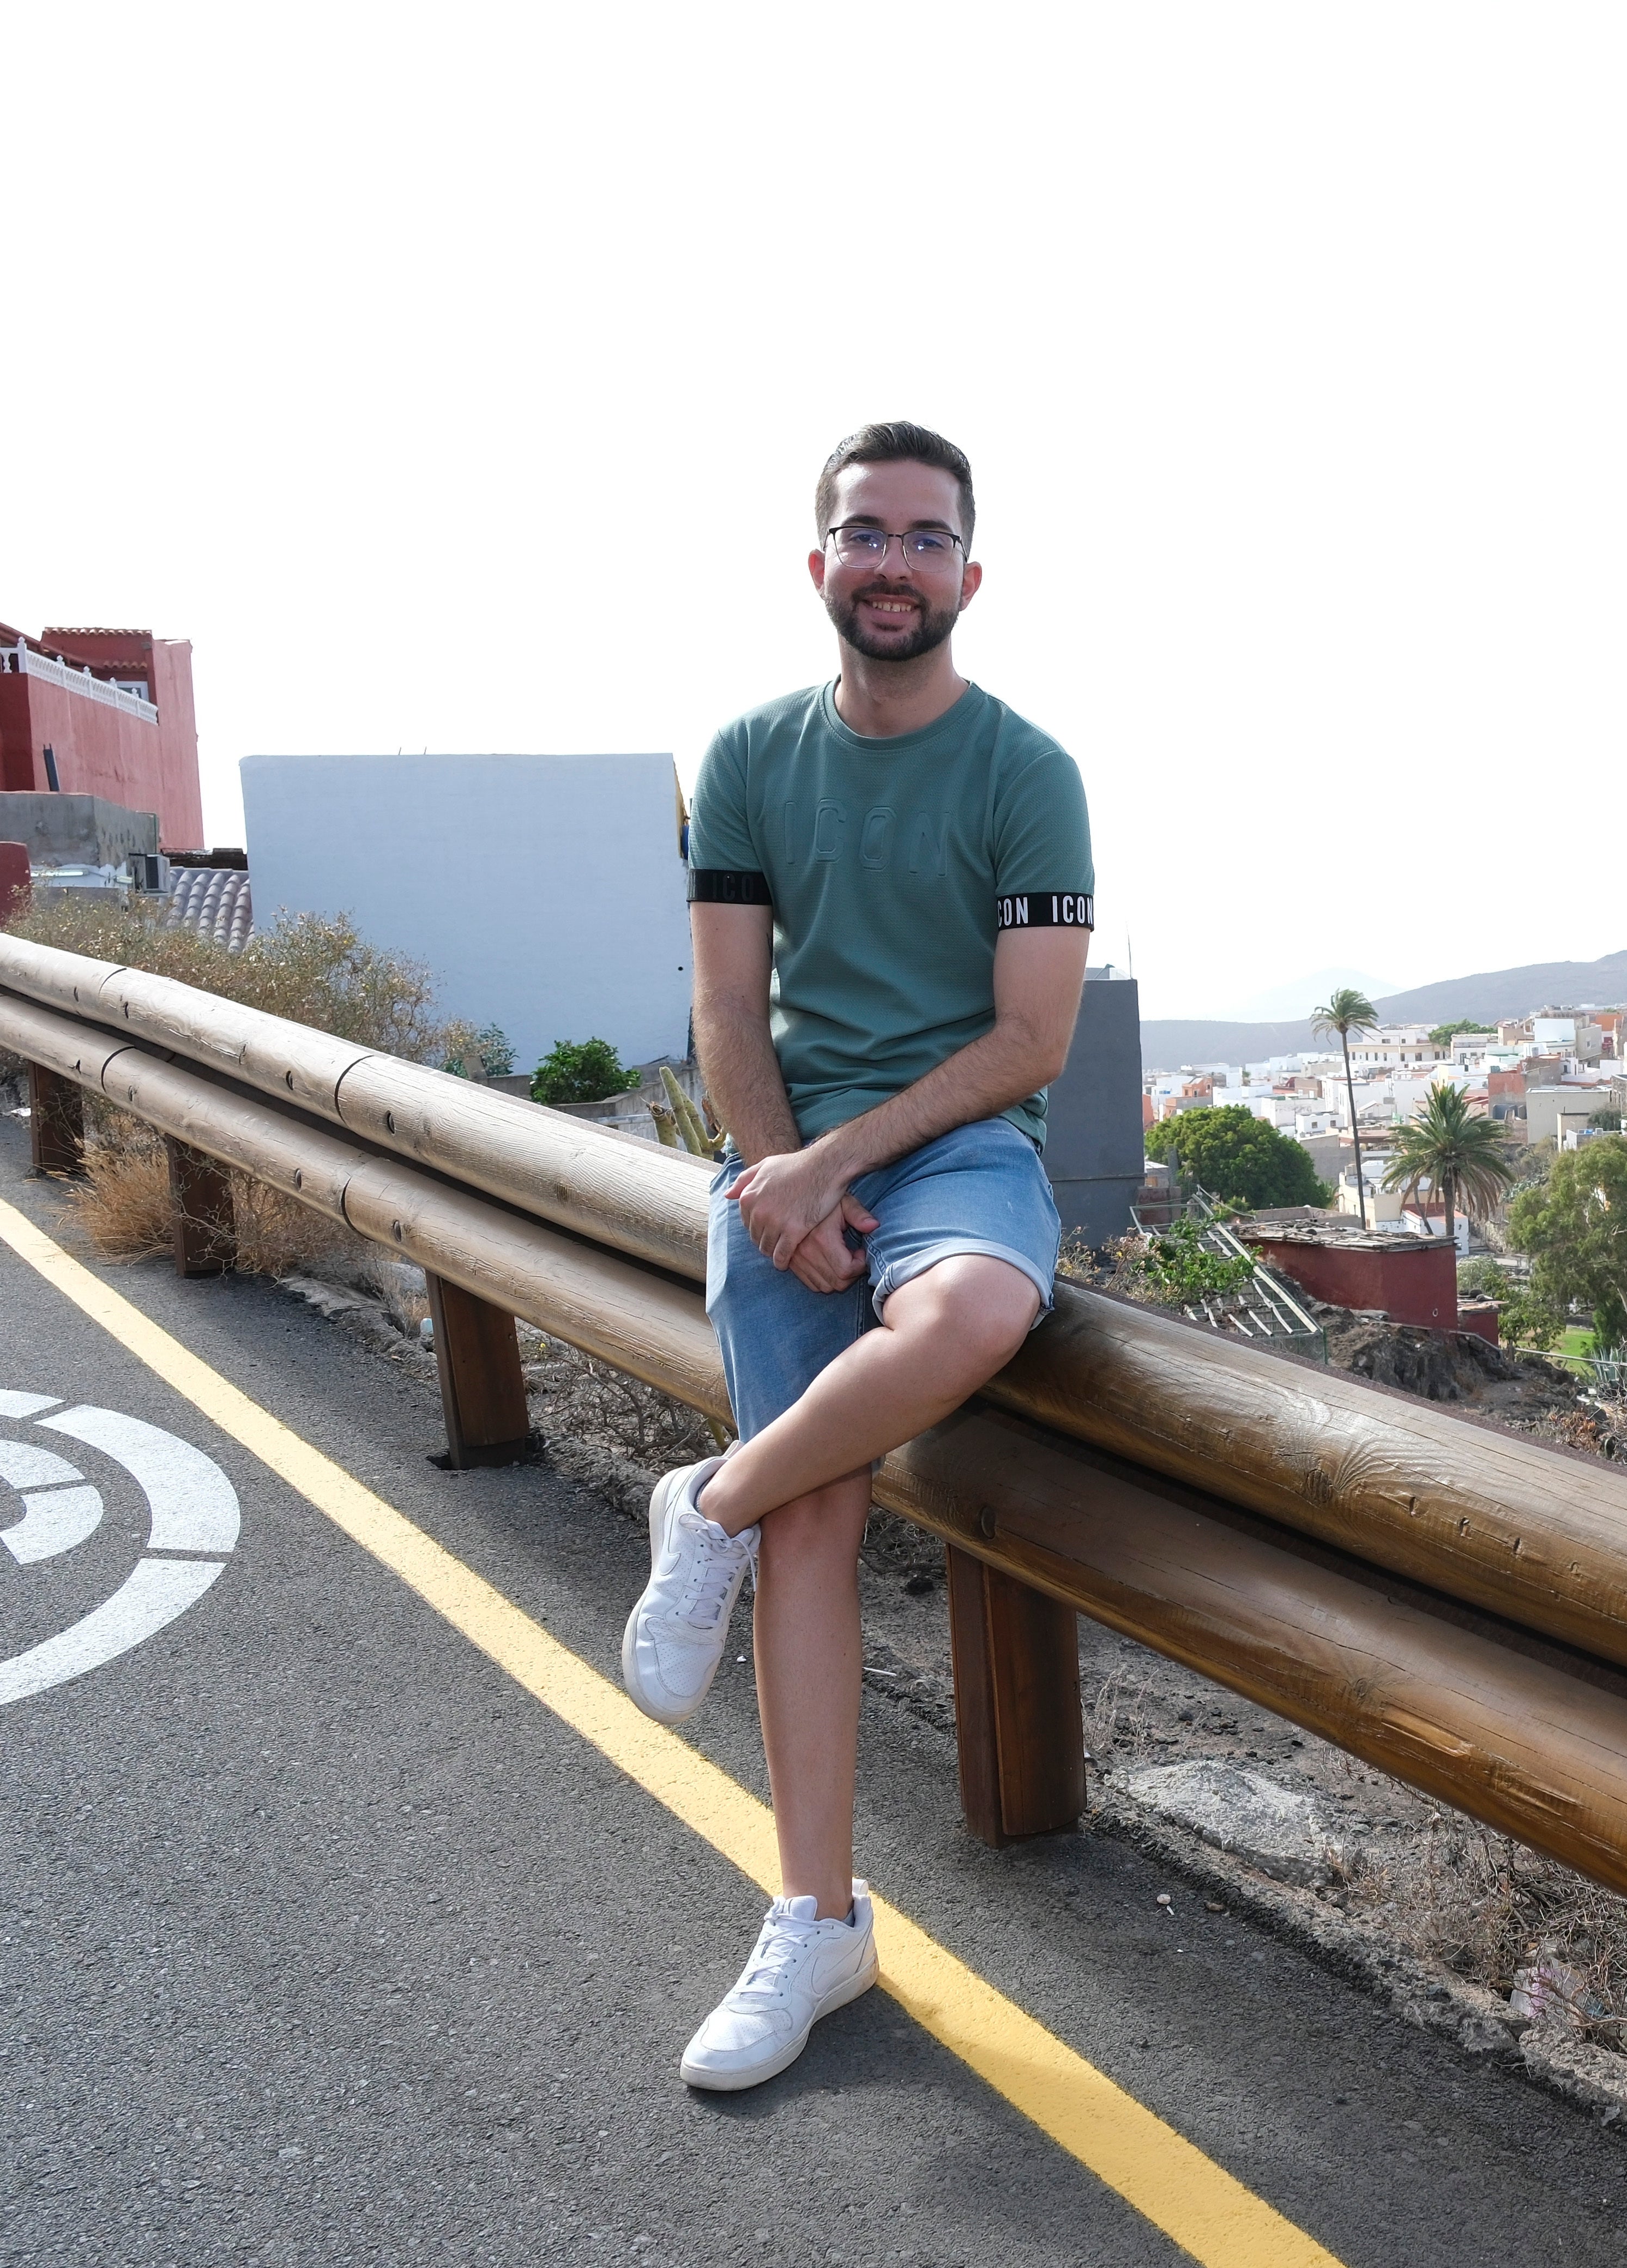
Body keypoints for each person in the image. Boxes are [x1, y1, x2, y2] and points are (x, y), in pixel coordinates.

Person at [625, 419, 1094, 2090]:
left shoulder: (1026, 772)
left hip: (956, 1148)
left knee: (970, 1306)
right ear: (818, 560)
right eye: (865, 533)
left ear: (971, 571)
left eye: (926, 536)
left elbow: (1034, 1043)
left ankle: (709, 1503)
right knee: (822, 1512)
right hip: (782, 1152)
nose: (893, 561)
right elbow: (724, 1006)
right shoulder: (751, 757)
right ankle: (813, 1922)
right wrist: (779, 1177)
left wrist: (840, 1162)